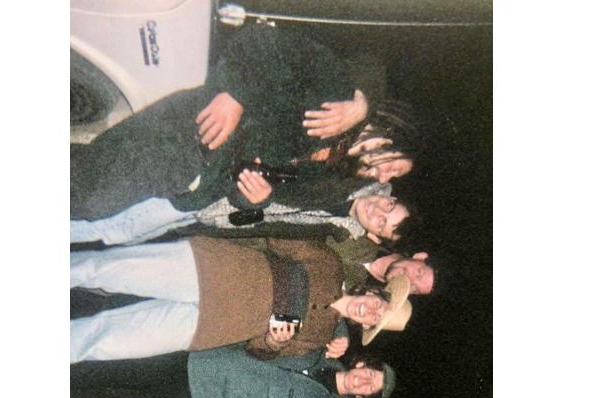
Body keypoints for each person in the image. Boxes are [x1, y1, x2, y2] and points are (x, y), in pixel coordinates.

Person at [71, 23, 420, 222]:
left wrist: (258, 198)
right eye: (395, 167)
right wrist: (235, 93)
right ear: (388, 135)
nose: (384, 179)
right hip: (189, 131)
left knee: (86, 187)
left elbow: (248, 197)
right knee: (90, 198)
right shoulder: (338, 93)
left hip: (193, 182)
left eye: (392, 178)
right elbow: (263, 41)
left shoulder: (331, 180)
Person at [70, 238, 413, 363]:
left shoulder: (320, 337)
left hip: (206, 328)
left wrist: (274, 342)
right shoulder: (330, 264)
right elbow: (277, 236)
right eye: (379, 304)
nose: (372, 311)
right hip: (208, 268)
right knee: (104, 270)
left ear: (364, 325)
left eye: (375, 319)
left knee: (105, 342)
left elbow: (258, 352)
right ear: (372, 291)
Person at [68, 183, 413, 247]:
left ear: (375, 236)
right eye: (389, 207)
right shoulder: (345, 173)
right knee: (118, 227)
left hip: (210, 215)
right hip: (210, 189)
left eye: (383, 224)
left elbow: (270, 221)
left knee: (128, 232)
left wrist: (223, 221)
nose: (378, 211)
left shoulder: (336, 229)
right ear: (390, 195)